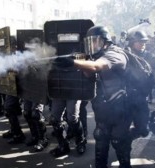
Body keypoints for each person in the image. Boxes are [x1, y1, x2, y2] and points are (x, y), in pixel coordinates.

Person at [55, 26, 132, 167]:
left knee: (118, 141)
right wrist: (80, 63)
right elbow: (90, 74)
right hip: (103, 108)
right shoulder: (97, 55)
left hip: (120, 108)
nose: (93, 45)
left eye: (95, 41)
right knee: (100, 138)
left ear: (105, 41)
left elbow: (96, 67)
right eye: (91, 42)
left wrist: (73, 62)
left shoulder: (115, 54)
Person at [125, 30, 152, 139]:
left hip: (141, 98)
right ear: (132, 42)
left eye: (143, 42)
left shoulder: (148, 56)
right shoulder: (125, 55)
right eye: (139, 42)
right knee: (121, 129)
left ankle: (128, 138)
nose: (142, 44)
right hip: (126, 98)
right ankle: (124, 145)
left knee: (143, 130)